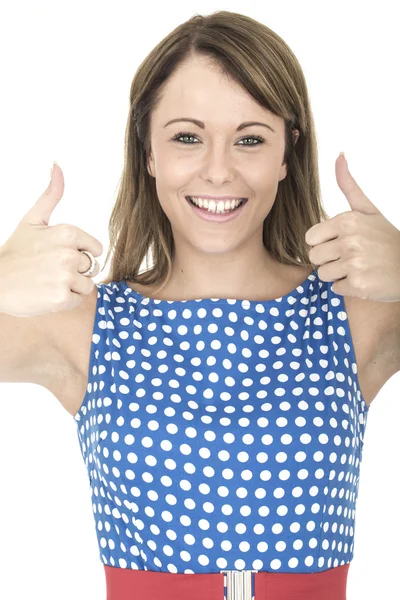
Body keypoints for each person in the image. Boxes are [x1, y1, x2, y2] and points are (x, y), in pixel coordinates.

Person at [0, 10, 364, 600]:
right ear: (148, 150)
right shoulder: (87, 327)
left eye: (249, 139)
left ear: (286, 154)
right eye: (187, 137)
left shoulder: (351, 316)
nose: (218, 171)